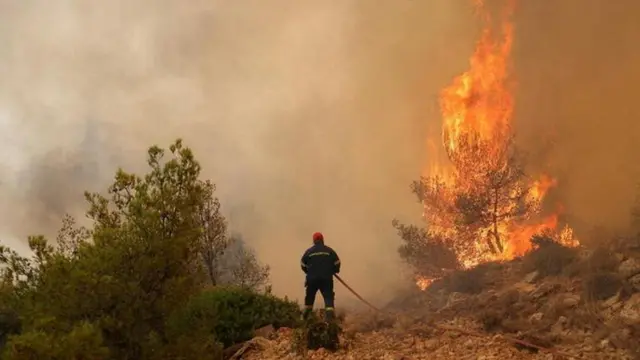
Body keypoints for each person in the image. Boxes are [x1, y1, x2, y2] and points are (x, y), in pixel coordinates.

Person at [300, 232, 341, 321]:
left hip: (312, 279)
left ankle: (305, 320)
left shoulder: (309, 252)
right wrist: (334, 270)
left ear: (314, 240)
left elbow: (302, 264)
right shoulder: (329, 251)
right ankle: (329, 321)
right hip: (326, 279)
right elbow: (337, 262)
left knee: (309, 300)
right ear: (322, 240)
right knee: (328, 298)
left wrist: (309, 272)